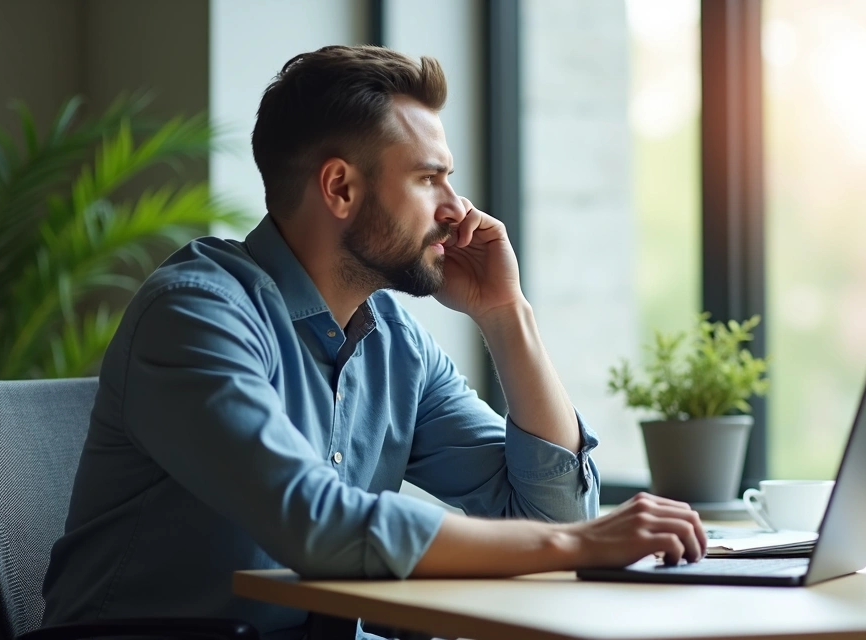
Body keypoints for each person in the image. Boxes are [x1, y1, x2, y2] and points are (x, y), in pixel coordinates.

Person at [41, 45, 705, 638]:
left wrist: (507, 315)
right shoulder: (196, 317)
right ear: (340, 188)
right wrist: (575, 544)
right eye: (428, 178)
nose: (458, 208)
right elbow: (318, 524)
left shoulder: (394, 342)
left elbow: (548, 506)